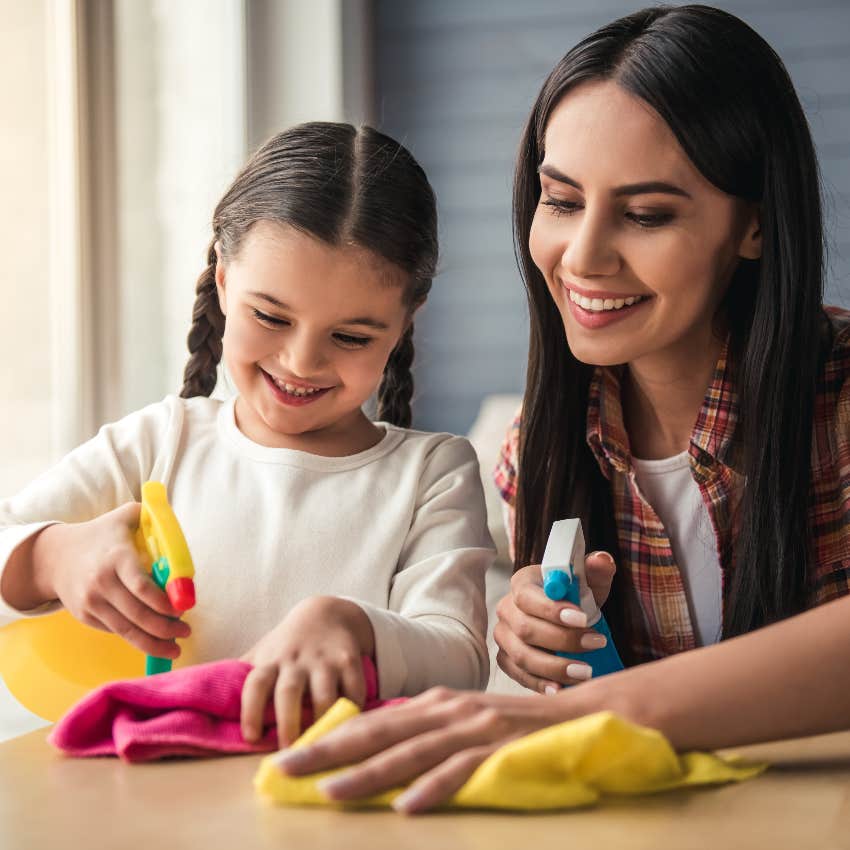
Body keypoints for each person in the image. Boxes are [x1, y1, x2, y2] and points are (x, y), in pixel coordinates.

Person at [271, 5, 850, 812]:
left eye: (646, 214)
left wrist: (581, 713)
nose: (583, 257)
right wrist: (531, 636)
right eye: (562, 200)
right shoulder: (539, 447)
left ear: (752, 226)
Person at [0, 122, 493, 747]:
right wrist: (49, 557)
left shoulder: (433, 472)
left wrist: (348, 623)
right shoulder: (157, 442)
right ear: (225, 280)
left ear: (405, 321)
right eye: (270, 316)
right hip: (149, 804)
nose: (301, 362)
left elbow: (461, 657)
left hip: (328, 805)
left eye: (351, 336)